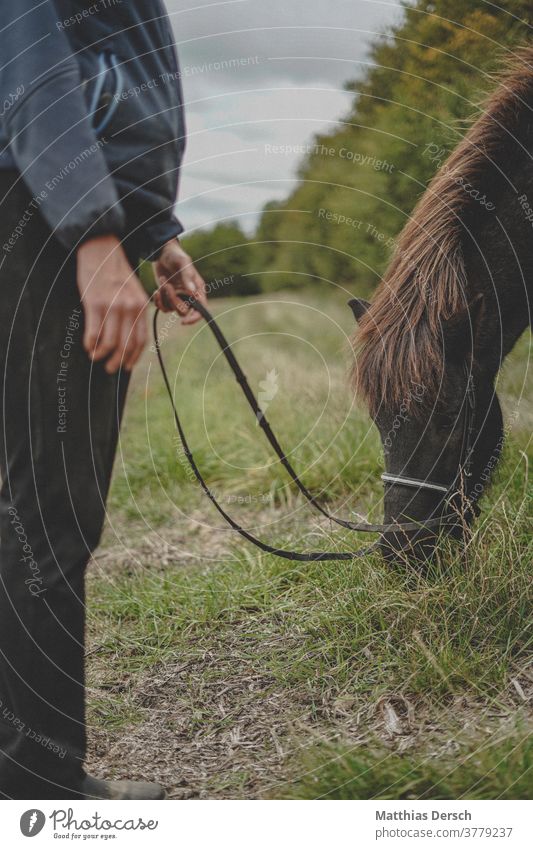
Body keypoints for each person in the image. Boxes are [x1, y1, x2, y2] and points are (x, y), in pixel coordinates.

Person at [0, 0, 206, 800]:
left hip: (56, 208)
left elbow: (116, 77)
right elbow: (29, 62)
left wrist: (153, 231)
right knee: (52, 502)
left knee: (32, 495)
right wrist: (92, 237)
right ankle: (40, 783)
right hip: (43, 214)